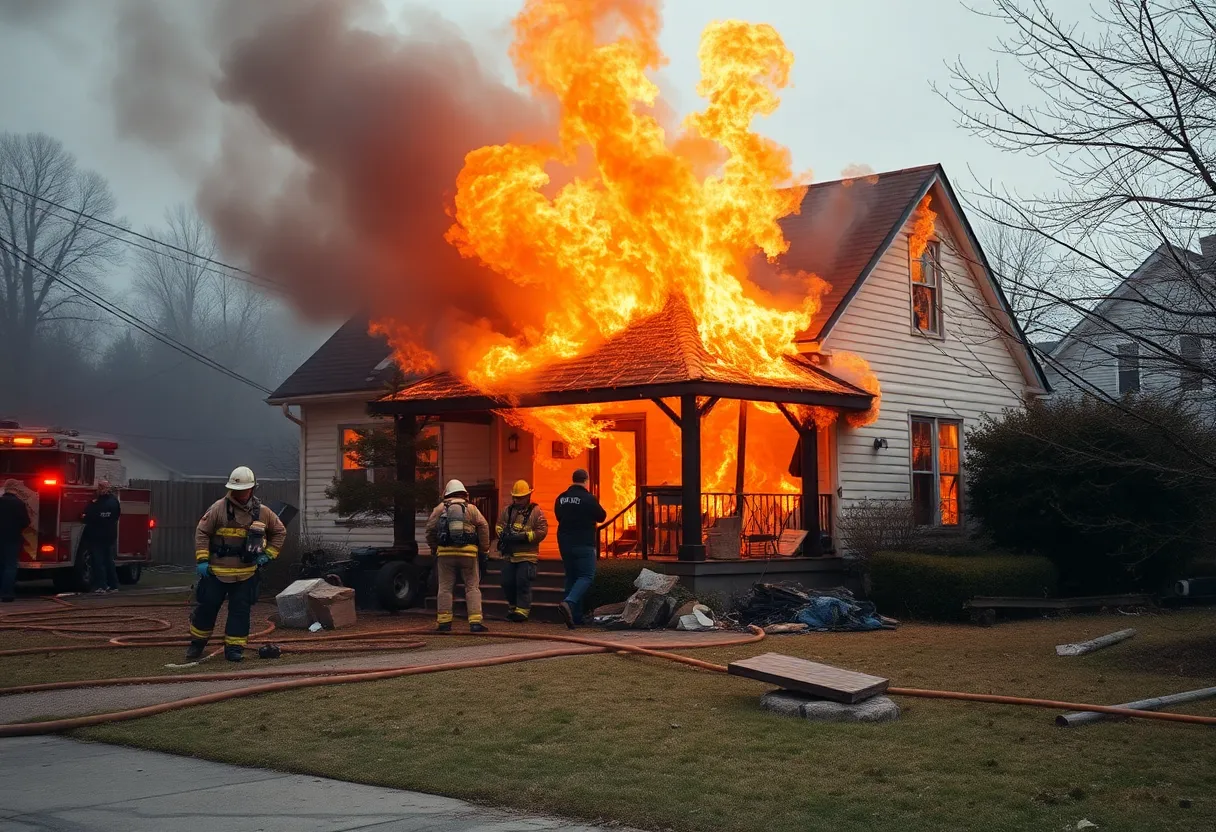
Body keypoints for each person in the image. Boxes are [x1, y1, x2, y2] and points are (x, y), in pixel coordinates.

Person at [186, 466, 287, 662]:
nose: (240, 493)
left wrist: (268, 555)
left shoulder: (263, 513)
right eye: (237, 489)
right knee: (207, 608)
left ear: (252, 489)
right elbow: (202, 532)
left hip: (246, 574)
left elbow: (280, 532)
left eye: (244, 490)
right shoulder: (218, 509)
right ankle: (196, 645)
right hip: (216, 572)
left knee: (240, 612)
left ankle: (234, 649)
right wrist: (202, 560)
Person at [426, 479, 491, 633]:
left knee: (445, 588)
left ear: (447, 494)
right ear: (464, 493)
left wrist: (435, 548)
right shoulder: (472, 509)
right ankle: (475, 623)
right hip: (468, 554)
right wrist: (484, 549)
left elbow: (429, 529)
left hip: (445, 555)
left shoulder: (440, 509)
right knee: (472, 587)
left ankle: (444, 623)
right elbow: (484, 526)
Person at [553, 468, 606, 628]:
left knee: (571, 577)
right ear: (586, 480)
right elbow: (601, 516)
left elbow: (558, 516)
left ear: (573, 479)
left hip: (564, 543)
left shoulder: (561, 498)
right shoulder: (589, 498)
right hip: (583, 542)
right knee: (586, 576)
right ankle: (569, 603)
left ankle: (575, 617)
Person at [495, 479, 548, 622]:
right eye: (515, 497)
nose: (517, 500)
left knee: (522, 582)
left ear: (528, 496)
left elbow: (542, 531)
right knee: (507, 582)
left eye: (520, 497)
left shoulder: (536, 512)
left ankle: (522, 612)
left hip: (527, 555)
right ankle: (513, 607)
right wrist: (503, 534)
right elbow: (499, 525)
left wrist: (525, 536)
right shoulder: (507, 511)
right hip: (509, 555)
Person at [82, 480, 121, 594]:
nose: (99, 489)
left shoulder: (96, 504)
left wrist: (85, 516)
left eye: (100, 487)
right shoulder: (114, 502)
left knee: (98, 562)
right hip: (109, 536)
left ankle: (102, 586)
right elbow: (116, 516)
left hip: (97, 536)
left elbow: (88, 516)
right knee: (109, 561)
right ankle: (113, 585)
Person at [0, 480, 31, 603]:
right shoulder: (19, 504)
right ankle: (7, 593)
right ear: (15, 489)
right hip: (12, 538)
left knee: (1, 565)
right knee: (10, 566)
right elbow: (26, 522)